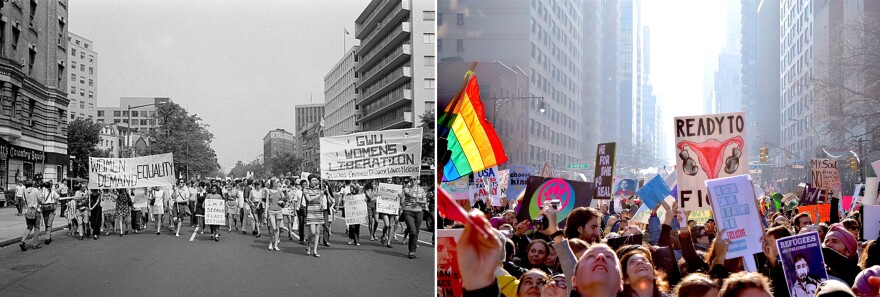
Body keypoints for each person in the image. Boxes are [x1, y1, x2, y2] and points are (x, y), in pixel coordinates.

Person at [401, 176, 426, 258]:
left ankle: (412, 250)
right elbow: (409, 194)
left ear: (417, 180)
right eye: (411, 179)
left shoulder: (421, 189)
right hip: (408, 211)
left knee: (416, 232)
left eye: (414, 179)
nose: (412, 181)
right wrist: (415, 185)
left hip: (418, 212)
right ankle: (411, 251)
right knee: (413, 231)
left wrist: (419, 201)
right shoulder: (406, 188)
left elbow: (424, 200)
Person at [304, 176, 325, 257]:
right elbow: (309, 199)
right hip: (311, 211)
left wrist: (322, 204)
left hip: (319, 211)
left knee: (317, 232)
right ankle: (308, 245)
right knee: (312, 232)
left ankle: (315, 250)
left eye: (316, 180)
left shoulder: (319, 189)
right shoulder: (306, 189)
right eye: (313, 180)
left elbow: (321, 199)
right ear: (309, 181)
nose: (315, 181)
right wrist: (319, 195)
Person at [18, 180, 42, 250]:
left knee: (29, 227)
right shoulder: (36, 190)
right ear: (32, 184)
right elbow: (40, 200)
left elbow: (23, 201)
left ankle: (22, 241)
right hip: (35, 210)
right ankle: (35, 244)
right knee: (37, 228)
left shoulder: (24, 191)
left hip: (28, 211)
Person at [265, 179, 285, 251]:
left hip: (279, 210)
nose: (278, 183)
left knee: (277, 228)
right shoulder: (268, 191)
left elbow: (284, 198)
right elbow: (267, 202)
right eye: (277, 182)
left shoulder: (280, 191)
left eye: (279, 182)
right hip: (271, 211)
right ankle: (270, 242)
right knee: (273, 228)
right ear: (273, 183)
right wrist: (265, 212)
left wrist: (283, 197)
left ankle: (275, 244)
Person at [39, 180, 60, 245]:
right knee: (49, 224)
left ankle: (48, 235)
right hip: (51, 209)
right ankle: (48, 237)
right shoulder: (53, 191)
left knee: (46, 223)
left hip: (45, 209)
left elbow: (40, 199)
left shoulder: (42, 191)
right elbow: (58, 198)